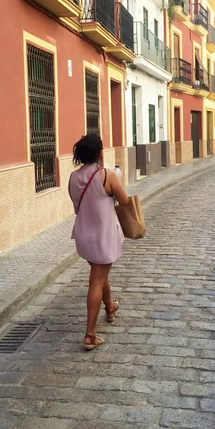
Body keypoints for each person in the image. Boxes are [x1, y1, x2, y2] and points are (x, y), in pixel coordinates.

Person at [68, 134, 129, 350]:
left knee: (100, 274)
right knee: (96, 280)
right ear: (100, 153)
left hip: (85, 235)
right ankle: (90, 335)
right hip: (103, 236)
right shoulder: (106, 176)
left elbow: (76, 204)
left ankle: (110, 308)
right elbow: (125, 201)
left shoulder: (73, 177)